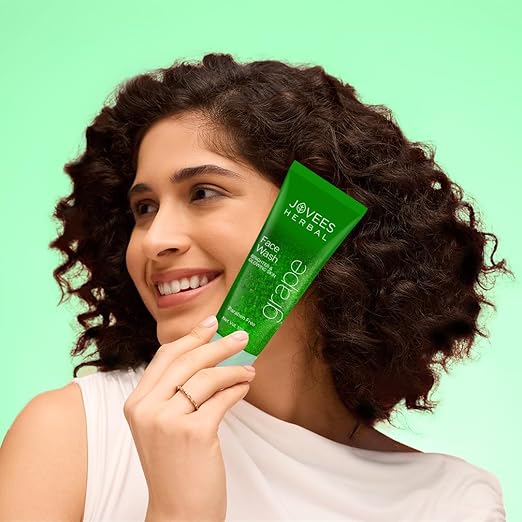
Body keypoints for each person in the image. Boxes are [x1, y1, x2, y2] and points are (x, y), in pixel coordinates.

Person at [0, 53, 511, 521]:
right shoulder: (75, 433)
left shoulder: (448, 501)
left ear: (306, 219)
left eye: (203, 192)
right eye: (144, 208)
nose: (155, 241)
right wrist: (180, 508)